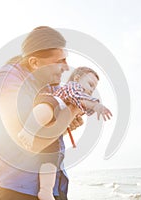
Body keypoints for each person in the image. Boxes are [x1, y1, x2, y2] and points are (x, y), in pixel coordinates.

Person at [0, 26, 83, 200]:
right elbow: (25, 143)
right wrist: (70, 112)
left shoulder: (47, 84)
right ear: (34, 63)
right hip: (17, 192)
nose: (66, 67)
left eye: (66, 60)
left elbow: (48, 131)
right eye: (59, 61)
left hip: (53, 190)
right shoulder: (9, 80)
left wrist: (64, 123)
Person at [18, 66, 112, 200]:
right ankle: (28, 130)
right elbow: (79, 98)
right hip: (48, 107)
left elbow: (76, 110)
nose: (91, 89)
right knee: (49, 105)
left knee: (52, 157)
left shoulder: (80, 101)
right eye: (90, 84)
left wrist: (71, 122)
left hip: (53, 127)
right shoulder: (73, 87)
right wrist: (96, 105)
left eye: (93, 88)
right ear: (77, 79)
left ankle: (46, 190)